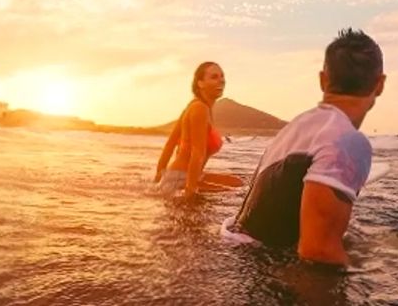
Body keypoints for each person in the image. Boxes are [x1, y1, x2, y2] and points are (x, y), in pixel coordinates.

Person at [226, 28, 385, 266]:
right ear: (380, 84)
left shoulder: (295, 128)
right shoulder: (348, 141)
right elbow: (317, 252)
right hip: (268, 279)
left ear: (323, 80)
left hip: (241, 261)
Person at [155, 61, 237, 197]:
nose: (221, 80)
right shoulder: (199, 108)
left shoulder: (196, 107)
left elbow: (170, 144)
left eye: (222, 76)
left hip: (178, 177)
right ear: (200, 83)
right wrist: (190, 192)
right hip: (180, 180)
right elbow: (197, 153)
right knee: (237, 191)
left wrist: (158, 179)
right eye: (214, 77)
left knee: (238, 182)